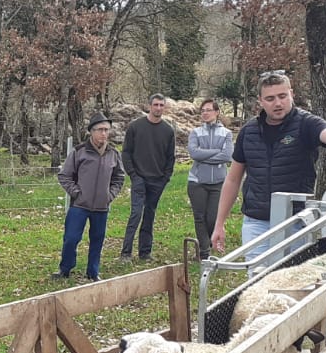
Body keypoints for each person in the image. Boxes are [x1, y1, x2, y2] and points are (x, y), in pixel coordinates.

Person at [210, 71, 326, 259]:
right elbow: (233, 179)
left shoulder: (306, 124)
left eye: (282, 96)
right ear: (260, 101)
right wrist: (219, 223)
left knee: (290, 274)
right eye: (270, 98)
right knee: (256, 274)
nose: (277, 103)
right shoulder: (248, 131)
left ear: (291, 94)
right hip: (256, 222)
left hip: (295, 221)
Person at [53, 115, 124, 282]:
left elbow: (119, 177)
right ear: (91, 132)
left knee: (97, 240)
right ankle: (65, 269)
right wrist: (76, 193)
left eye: (106, 130)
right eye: (100, 130)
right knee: (71, 239)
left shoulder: (113, 154)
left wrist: (109, 195)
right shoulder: (79, 152)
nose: (104, 133)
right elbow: (64, 175)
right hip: (79, 205)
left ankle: (93, 272)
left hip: (101, 206)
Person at [120, 93, 176, 261]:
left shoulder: (168, 131)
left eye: (161, 105)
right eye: (156, 105)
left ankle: (145, 252)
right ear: (149, 106)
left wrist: (165, 177)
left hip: (157, 180)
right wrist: (133, 175)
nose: (158, 108)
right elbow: (126, 152)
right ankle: (126, 252)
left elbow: (170, 157)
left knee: (149, 216)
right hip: (139, 178)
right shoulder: (135, 127)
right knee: (136, 214)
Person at [187, 98, 234, 260]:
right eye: (203, 111)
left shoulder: (226, 133)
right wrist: (216, 152)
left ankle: (208, 244)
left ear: (217, 112)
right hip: (197, 182)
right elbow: (194, 153)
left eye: (208, 110)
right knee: (199, 217)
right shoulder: (195, 132)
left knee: (213, 218)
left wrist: (204, 156)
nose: (205, 113)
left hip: (218, 183)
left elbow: (227, 156)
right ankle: (204, 252)